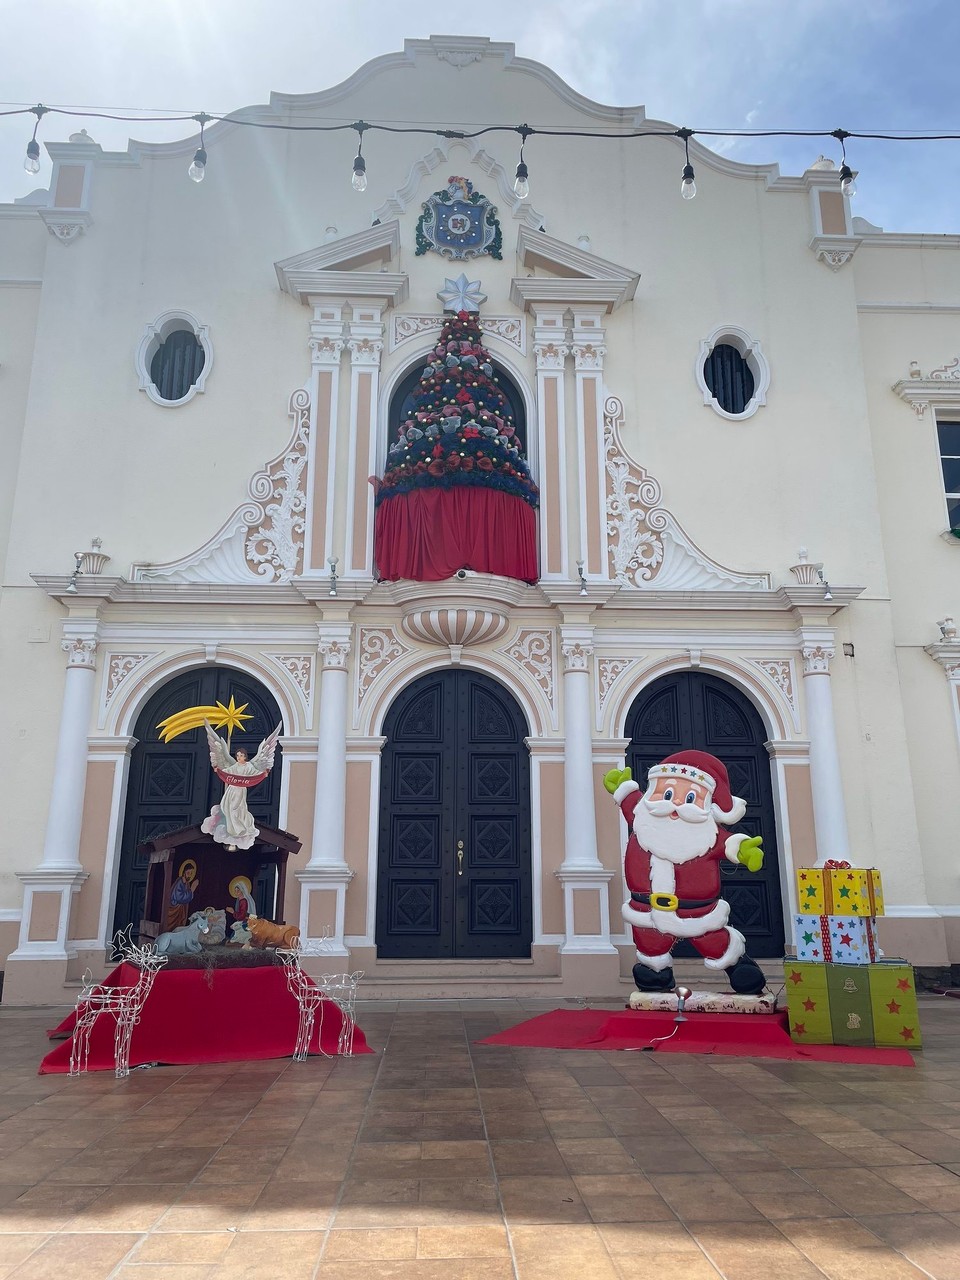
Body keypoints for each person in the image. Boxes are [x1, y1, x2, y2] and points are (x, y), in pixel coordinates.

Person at [603, 750, 767, 995]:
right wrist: (622, 787)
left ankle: (738, 967)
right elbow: (629, 800)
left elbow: (730, 844)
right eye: (667, 793)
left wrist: (744, 849)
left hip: (697, 912)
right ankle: (654, 975)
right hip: (646, 910)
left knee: (714, 942)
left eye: (690, 797)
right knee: (650, 944)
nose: (676, 804)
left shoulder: (708, 834)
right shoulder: (643, 816)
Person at [201, 722, 281, 851]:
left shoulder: (249, 766)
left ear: (245, 756)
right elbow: (227, 771)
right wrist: (218, 770)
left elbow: (255, 773)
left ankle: (238, 831)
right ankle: (231, 830)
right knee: (228, 809)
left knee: (238, 810)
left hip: (240, 791)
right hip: (231, 791)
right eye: (238, 755)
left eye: (242, 755)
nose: (239, 757)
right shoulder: (234, 766)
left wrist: (263, 773)